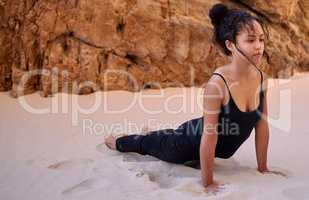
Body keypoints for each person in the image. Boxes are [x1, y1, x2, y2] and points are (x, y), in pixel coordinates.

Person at [104, 3, 286, 192]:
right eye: (250, 40)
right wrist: (208, 183)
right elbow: (209, 135)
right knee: (148, 144)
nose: (259, 47)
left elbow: (262, 126)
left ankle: (152, 134)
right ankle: (118, 141)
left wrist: (263, 168)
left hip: (197, 133)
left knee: (166, 135)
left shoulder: (262, 78)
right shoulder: (218, 84)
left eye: (262, 40)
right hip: (184, 145)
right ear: (230, 44)